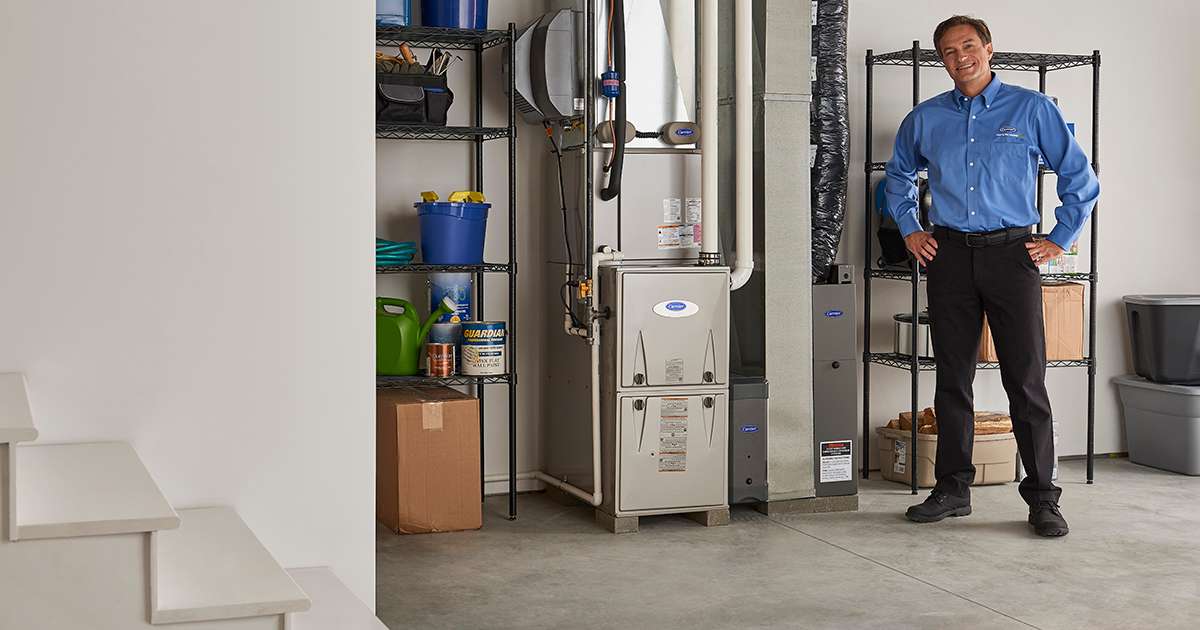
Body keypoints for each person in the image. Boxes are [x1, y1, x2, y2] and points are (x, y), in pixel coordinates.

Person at [883, 15, 1099, 537]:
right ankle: (952, 490)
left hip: (1012, 255)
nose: (961, 57)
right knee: (951, 378)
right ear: (941, 59)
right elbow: (896, 177)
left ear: (989, 49)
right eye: (950, 51)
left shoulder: (1033, 108)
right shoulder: (926, 118)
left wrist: (1059, 237)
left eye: (969, 46)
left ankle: (1043, 498)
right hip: (949, 257)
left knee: (1025, 380)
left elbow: (1079, 178)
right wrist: (911, 230)